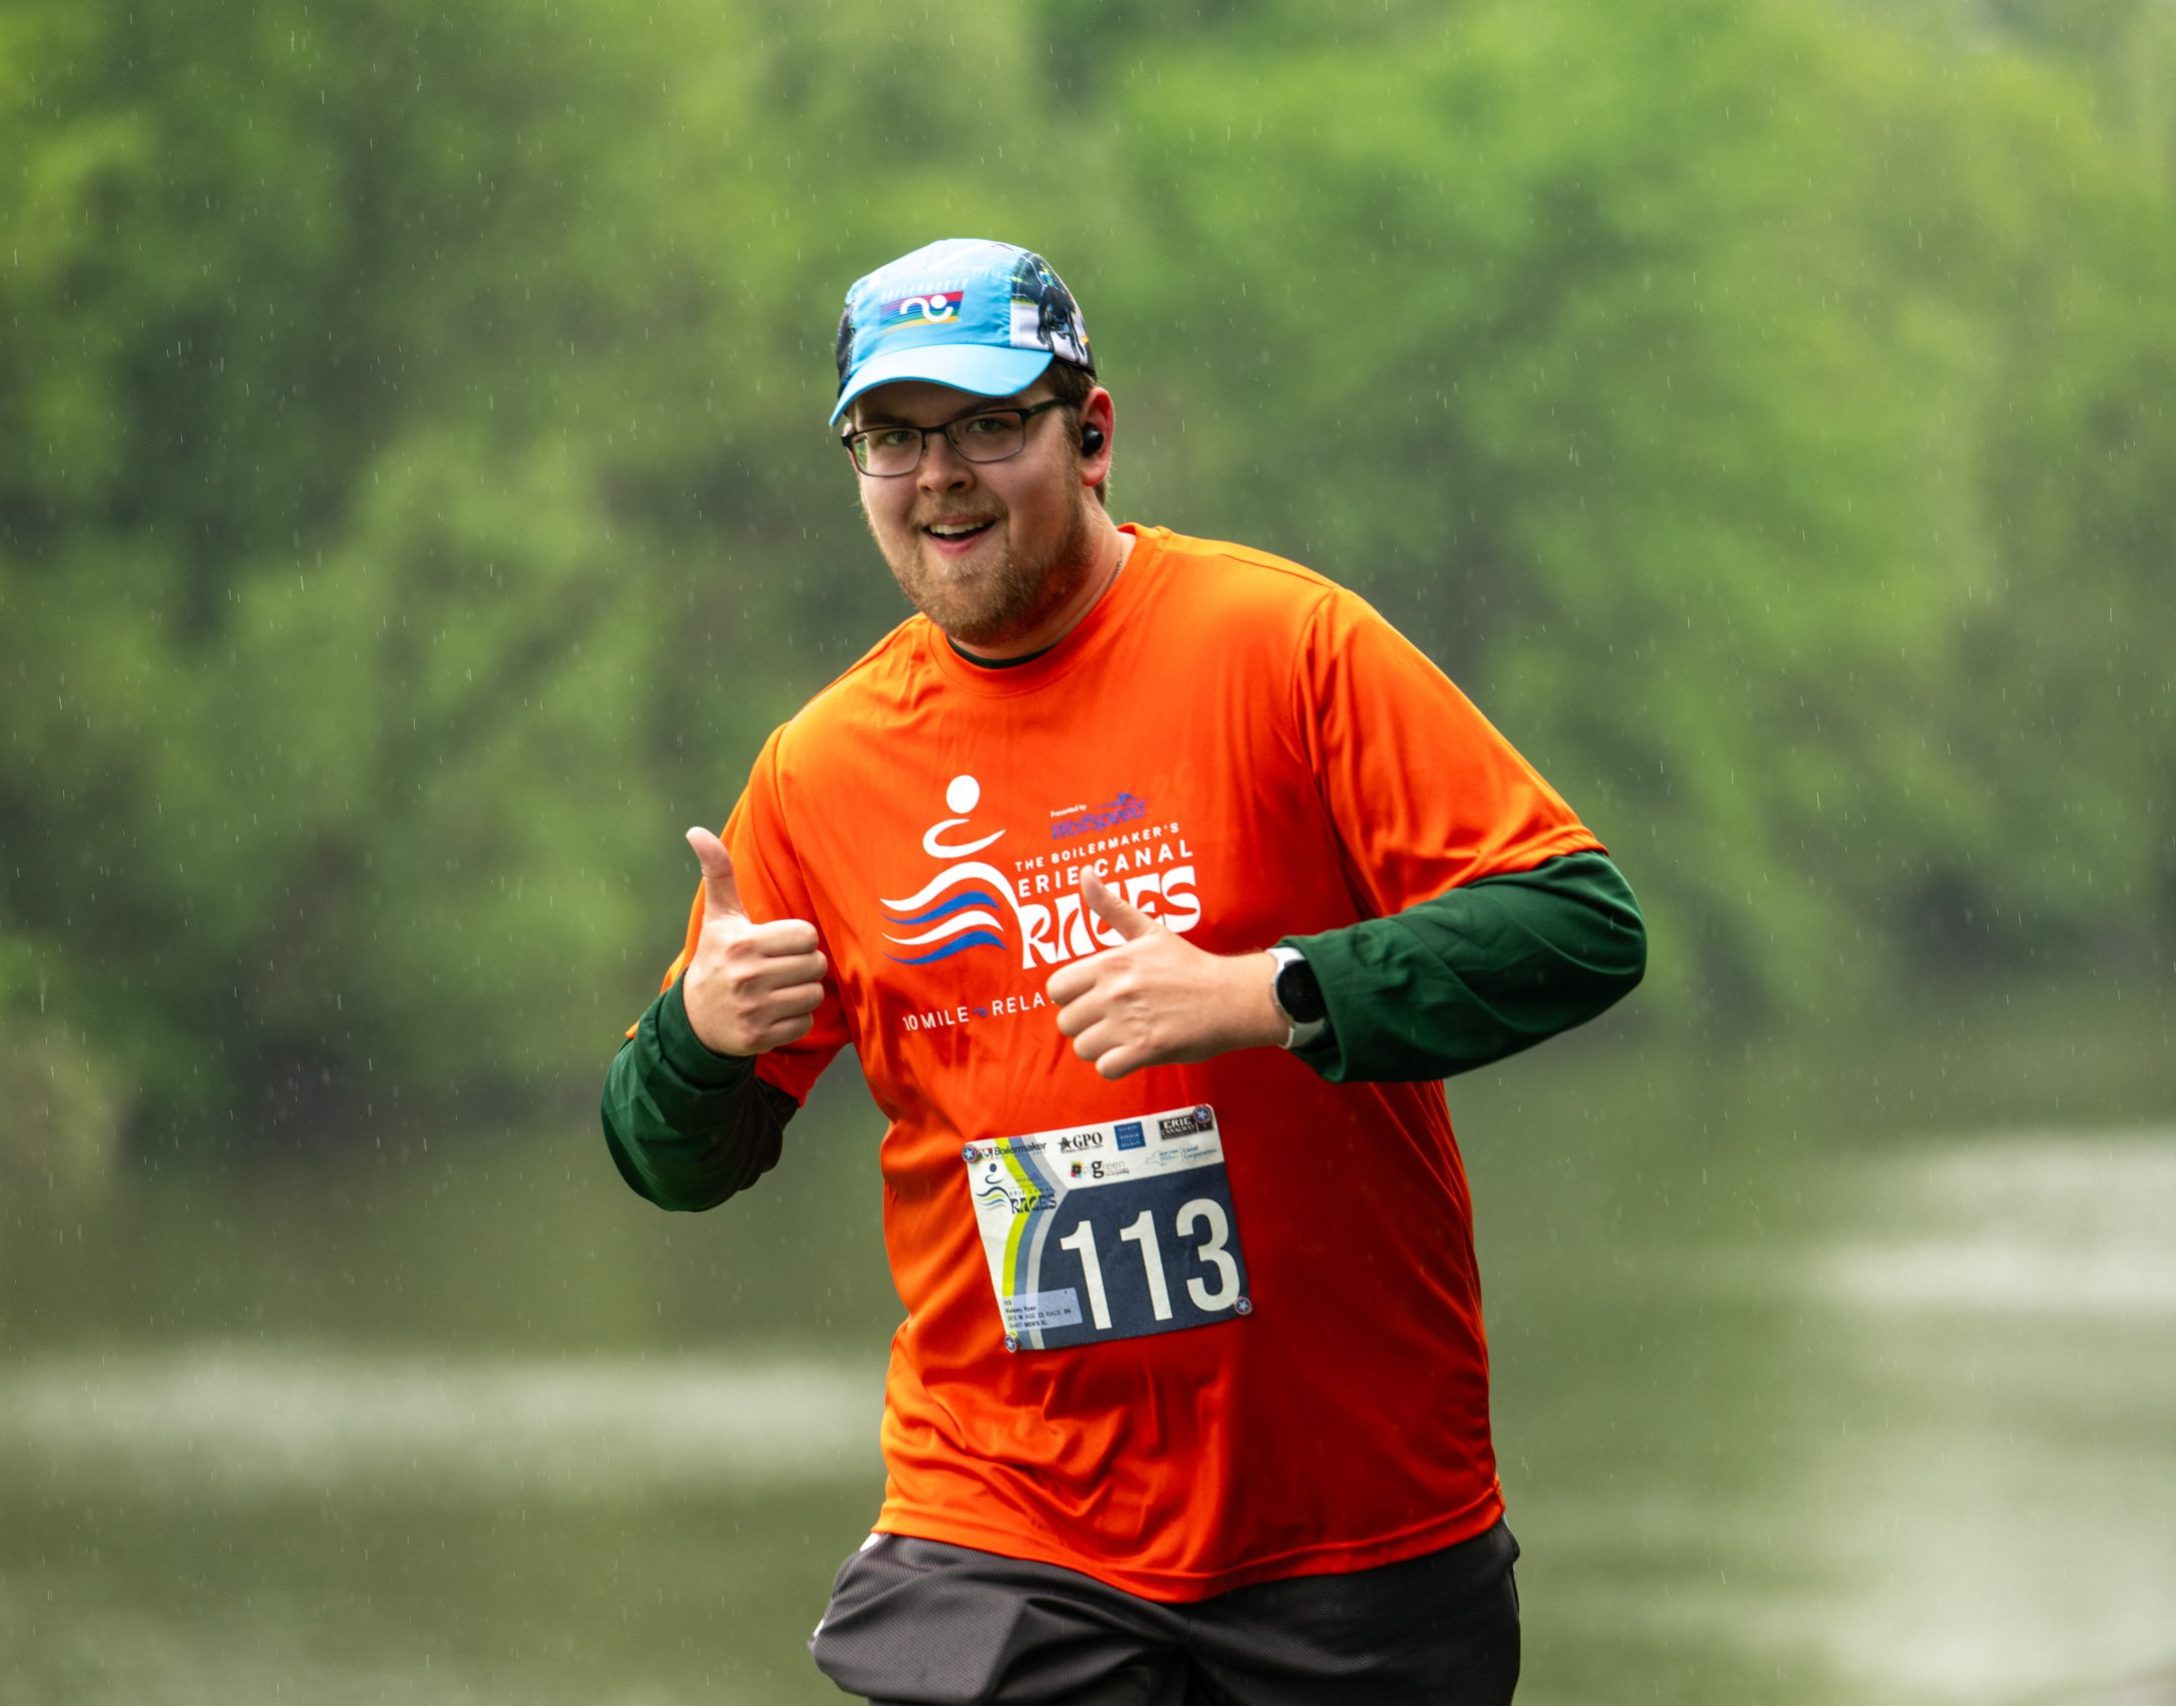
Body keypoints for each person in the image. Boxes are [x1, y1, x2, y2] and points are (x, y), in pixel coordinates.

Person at [601, 238, 1646, 1706]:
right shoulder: (824, 769)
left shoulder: (1283, 646)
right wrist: (698, 1037)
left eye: (985, 426)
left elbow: (1580, 923)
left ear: (1090, 436)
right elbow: (672, 1158)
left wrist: (1275, 991)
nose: (940, 476)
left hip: (1353, 1522)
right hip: (1006, 1525)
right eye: (892, 438)